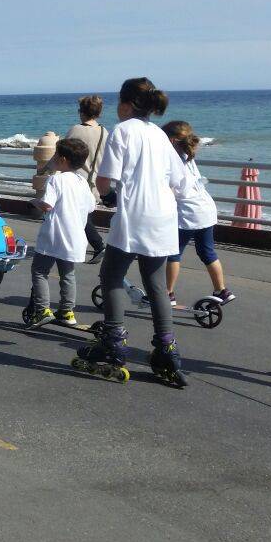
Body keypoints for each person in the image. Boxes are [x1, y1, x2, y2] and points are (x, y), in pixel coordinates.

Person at [78, 77, 192, 387]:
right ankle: (167, 349)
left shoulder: (123, 131)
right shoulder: (159, 134)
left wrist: (112, 198)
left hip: (135, 215)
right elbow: (181, 182)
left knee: (111, 276)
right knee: (155, 285)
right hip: (163, 216)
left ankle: (114, 342)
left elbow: (104, 180)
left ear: (127, 105)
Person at [162, 121, 235, 305]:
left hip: (188, 212)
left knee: (174, 254)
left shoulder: (171, 160)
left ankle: (168, 293)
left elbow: (170, 190)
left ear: (170, 140)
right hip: (205, 209)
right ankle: (222, 290)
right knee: (207, 252)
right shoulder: (188, 155)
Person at [25, 138, 95, 328]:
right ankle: (66, 311)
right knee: (68, 274)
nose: (53, 158)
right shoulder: (82, 182)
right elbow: (91, 207)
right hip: (75, 237)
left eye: (55, 155)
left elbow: (47, 205)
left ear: (62, 159)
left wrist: (34, 202)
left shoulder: (56, 179)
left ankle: (42, 309)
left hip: (54, 235)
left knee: (40, 271)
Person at [64, 95, 108, 262]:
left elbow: (63, 154)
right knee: (84, 217)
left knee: (80, 218)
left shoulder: (75, 130)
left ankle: (98, 246)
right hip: (95, 182)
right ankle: (94, 246)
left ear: (81, 111)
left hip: (77, 182)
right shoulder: (105, 132)